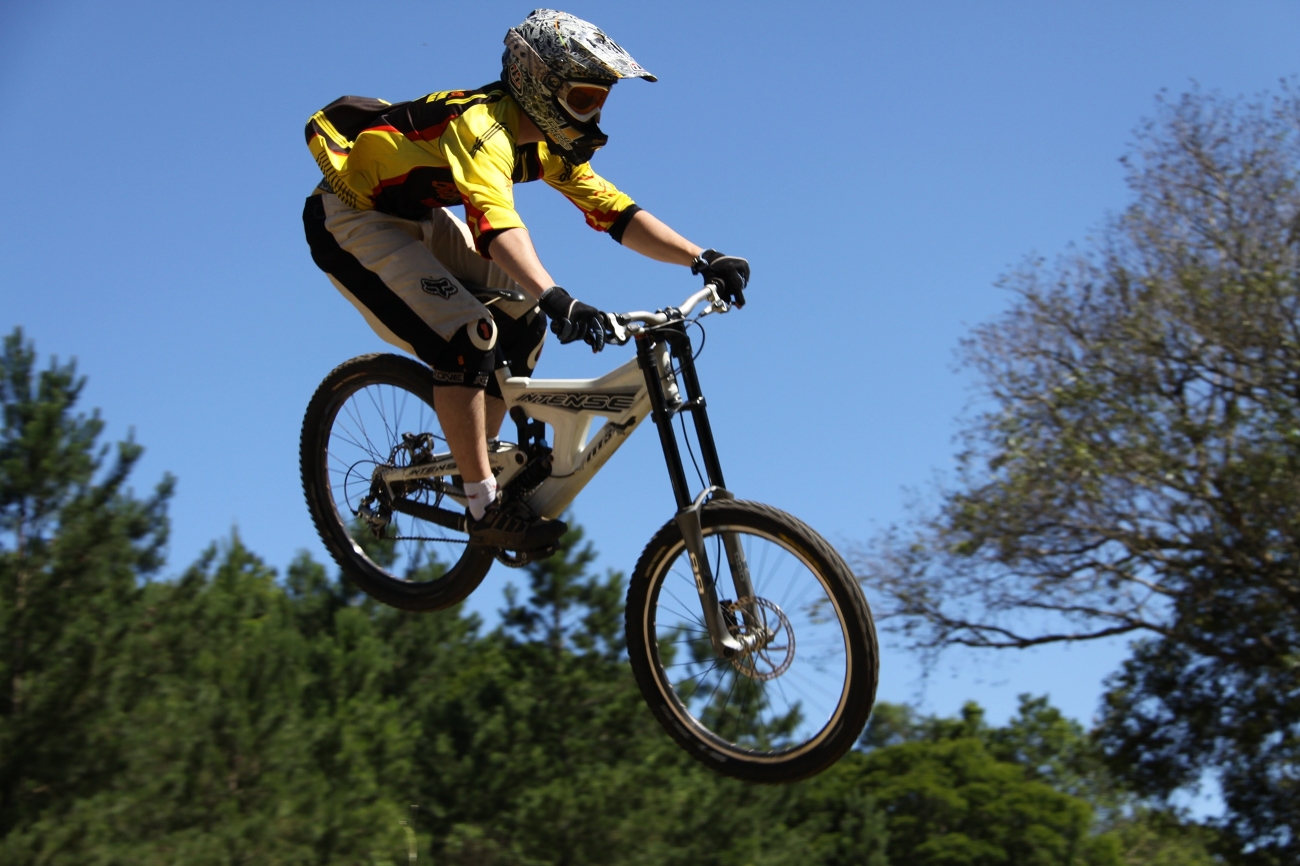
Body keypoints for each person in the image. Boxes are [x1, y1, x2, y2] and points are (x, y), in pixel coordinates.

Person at [302, 9, 749, 551]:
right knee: (469, 335)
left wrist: (702, 257)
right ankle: (482, 501)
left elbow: (613, 210)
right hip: (351, 219)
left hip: (417, 218)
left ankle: (478, 461)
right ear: (539, 84)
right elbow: (495, 225)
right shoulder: (483, 127)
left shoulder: (543, 144)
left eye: (601, 100)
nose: (595, 113)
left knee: (525, 319)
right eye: (585, 98)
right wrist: (561, 296)